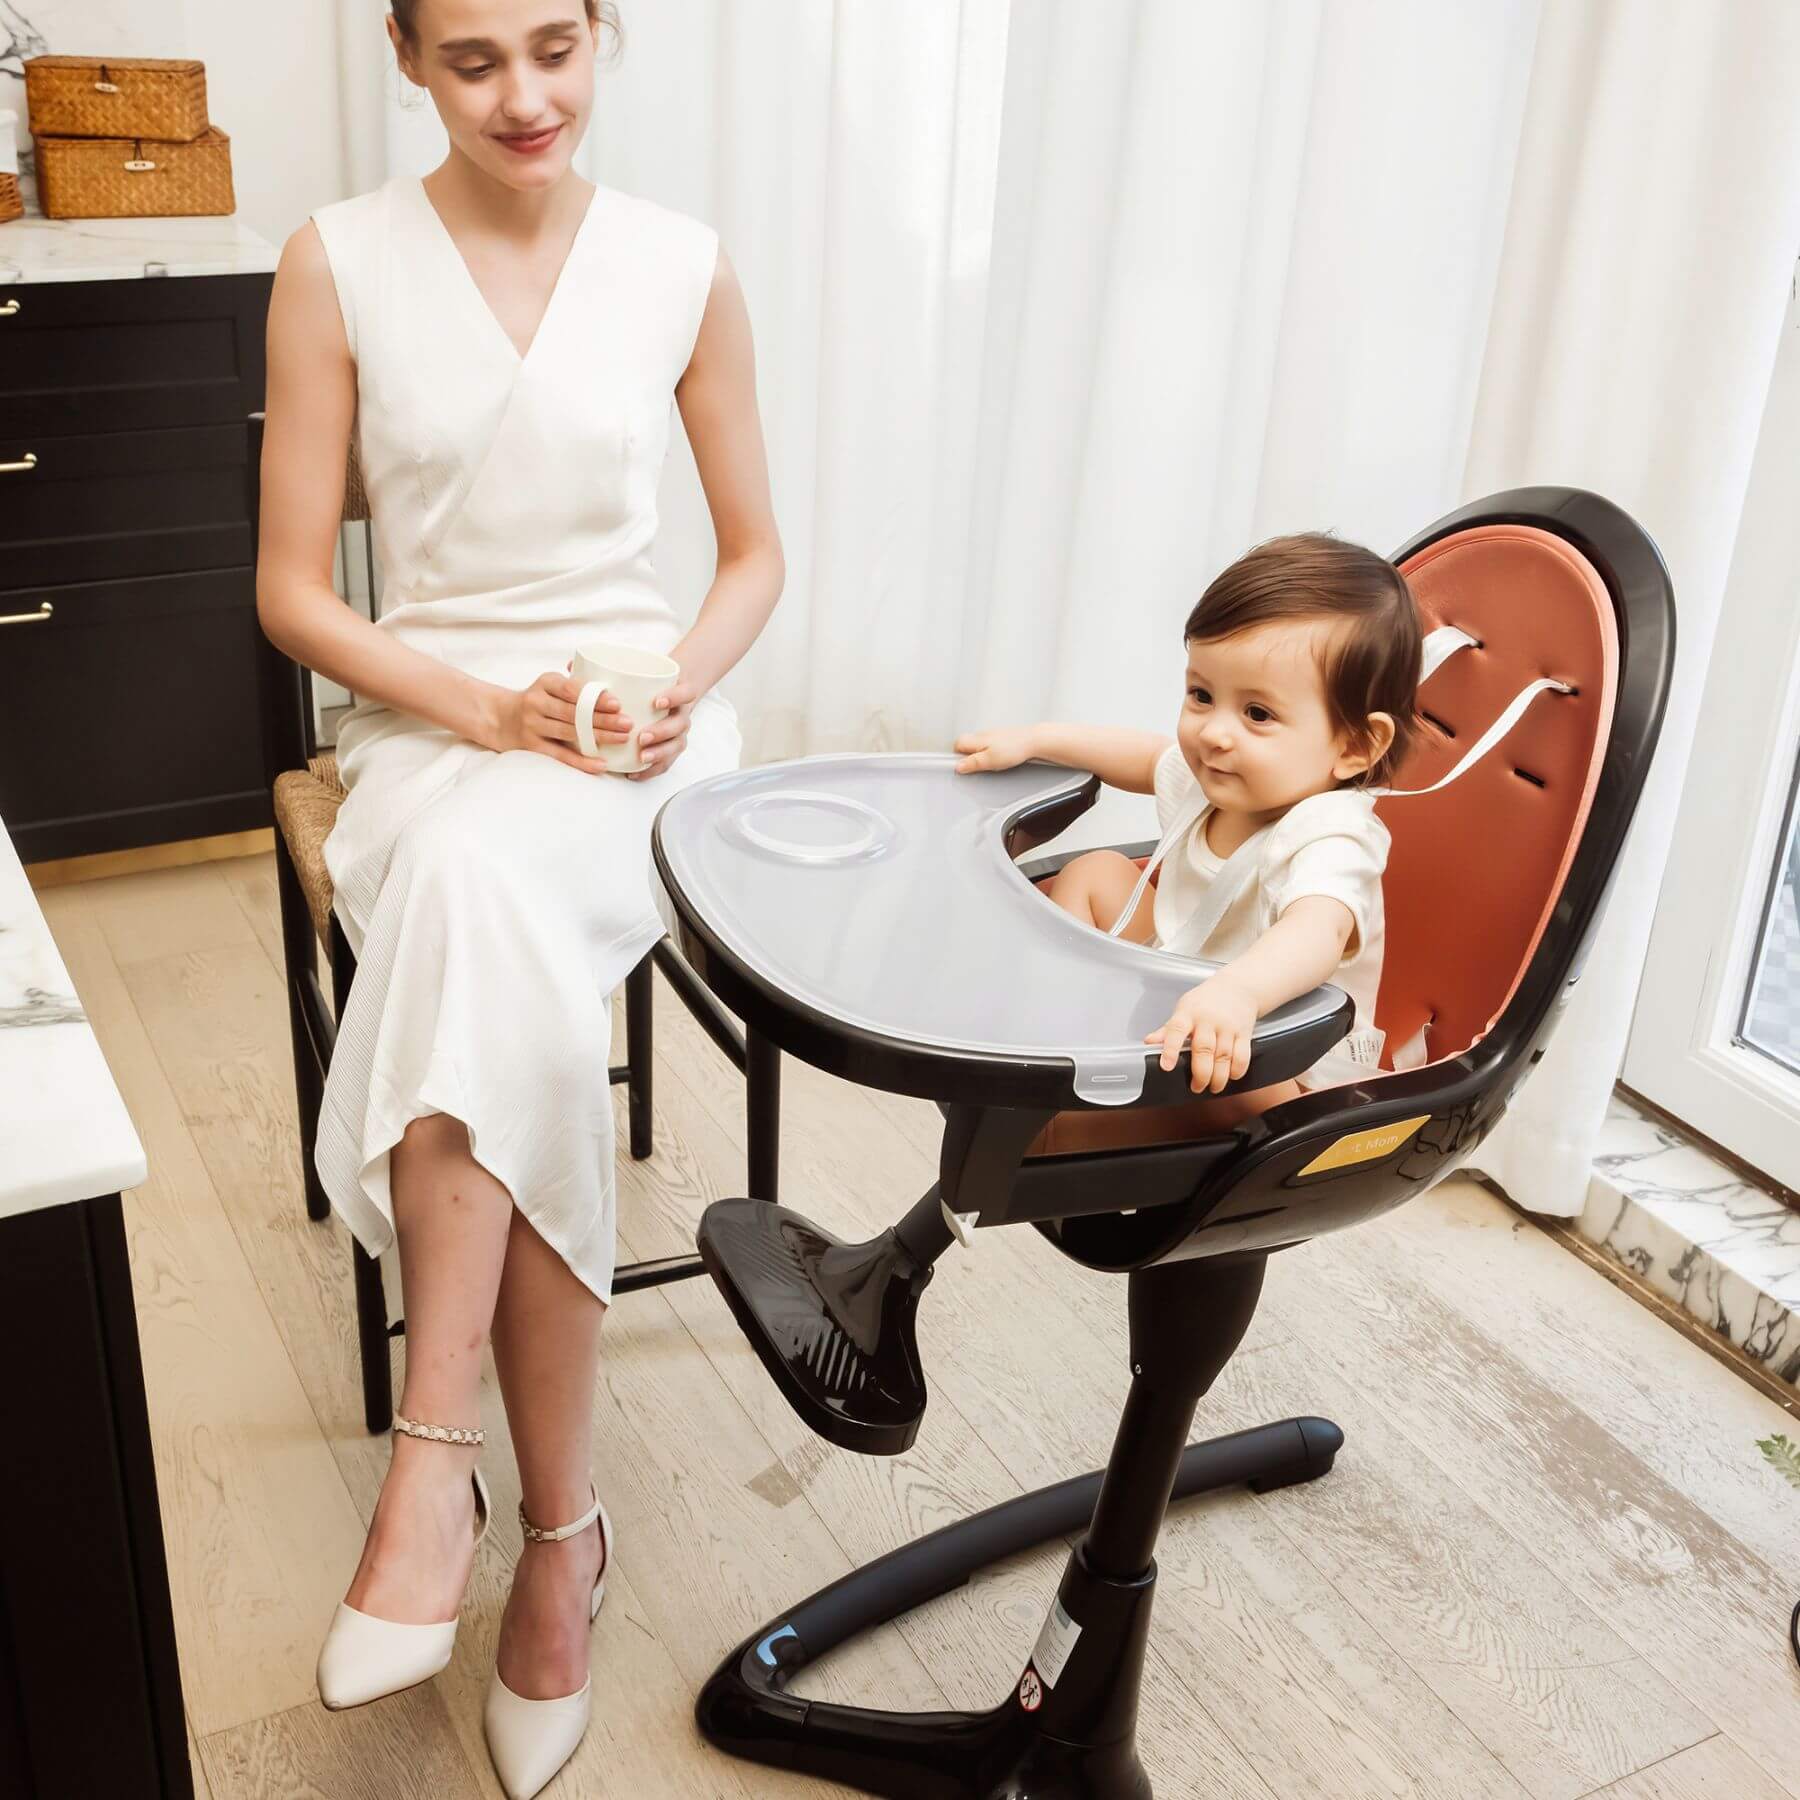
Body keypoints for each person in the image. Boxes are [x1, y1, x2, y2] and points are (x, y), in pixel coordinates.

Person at [255, 3, 783, 1793]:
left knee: (488, 911)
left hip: (634, 733)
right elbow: (293, 592)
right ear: (410, 58)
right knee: (489, 911)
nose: (524, 96)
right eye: (473, 58)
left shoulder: (682, 265)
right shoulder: (334, 264)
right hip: (431, 724)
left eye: (554, 45)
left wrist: (673, 691)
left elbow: (752, 554)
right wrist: (481, 707)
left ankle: (437, 1464)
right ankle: (554, 1535)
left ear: (602, 33)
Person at [955, 533, 1422, 1130]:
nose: (1214, 733)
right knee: (1096, 871)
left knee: (1069, 1125)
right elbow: (1145, 757)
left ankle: (1057, 1125)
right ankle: (1054, 1020)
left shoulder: (1331, 836)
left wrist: (1240, 995)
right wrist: (1036, 740)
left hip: (1279, 1066)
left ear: (1355, 745)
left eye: (1258, 714)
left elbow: (1317, 932)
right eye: (1202, 695)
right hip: (1184, 993)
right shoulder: (1222, 778)